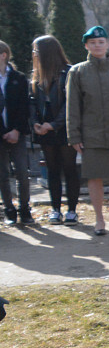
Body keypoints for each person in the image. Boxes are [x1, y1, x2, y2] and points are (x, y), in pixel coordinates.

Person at [66, 26, 109, 236]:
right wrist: (74, 135)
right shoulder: (77, 72)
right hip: (91, 134)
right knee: (94, 177)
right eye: (93, 43)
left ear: (107, 44)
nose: (97, 46)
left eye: (101, 42)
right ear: (86, 45)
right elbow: (73, 106)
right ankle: (99, 219)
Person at [30, 36, 77, 224]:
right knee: (52, 169)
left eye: (36, 50)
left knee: (69, 168)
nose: (34, 54)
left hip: (64, 128)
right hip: (44, 129)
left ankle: (72, 210)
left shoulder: (68, 73)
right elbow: (32, 102)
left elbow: (70, 103)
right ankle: (55, 209)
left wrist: (54, 125)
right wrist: (35, 123)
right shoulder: (36, 75)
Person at [0, 40, 32, 225]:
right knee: (2, 175)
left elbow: (24, 107)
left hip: (17, 133)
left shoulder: (19, 78)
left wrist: (16, 130)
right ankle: (9, 211)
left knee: (22, 172)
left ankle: (25, 210)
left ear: (3, 55)